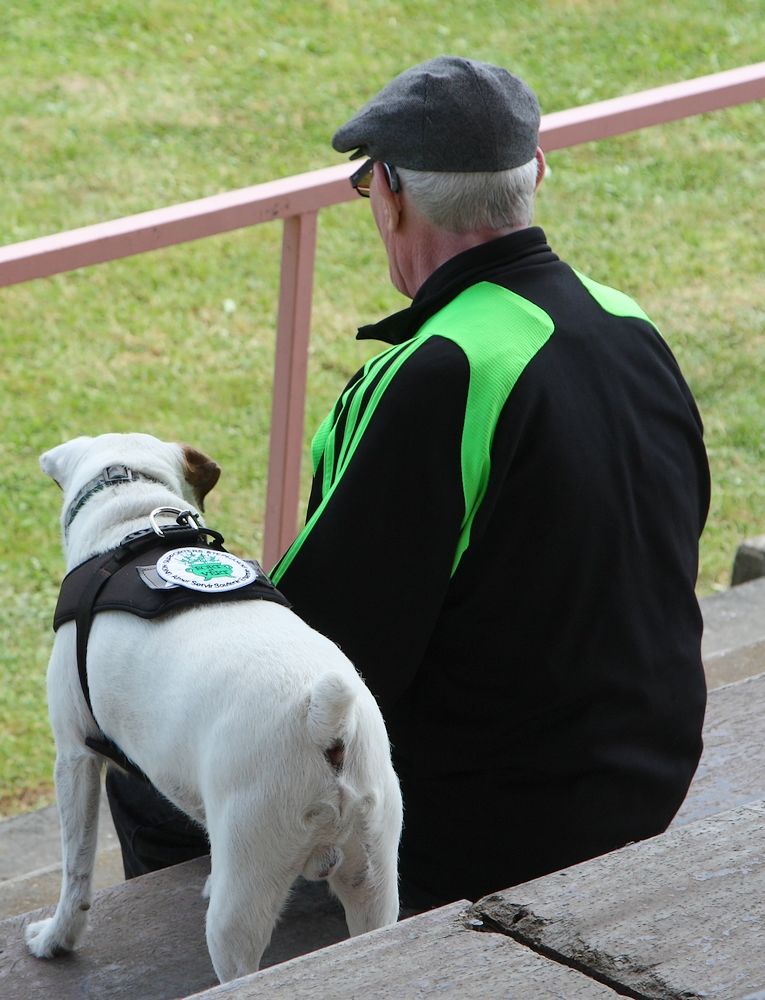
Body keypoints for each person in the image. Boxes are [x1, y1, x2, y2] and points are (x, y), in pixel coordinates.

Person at [107, 55, 710, 910]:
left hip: (486, 831)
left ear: (388, 193)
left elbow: (314, 657)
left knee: (148, 770)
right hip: (645, 781)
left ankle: (220, 959)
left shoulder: (439, 373)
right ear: (535, 171)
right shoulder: (628, 322)